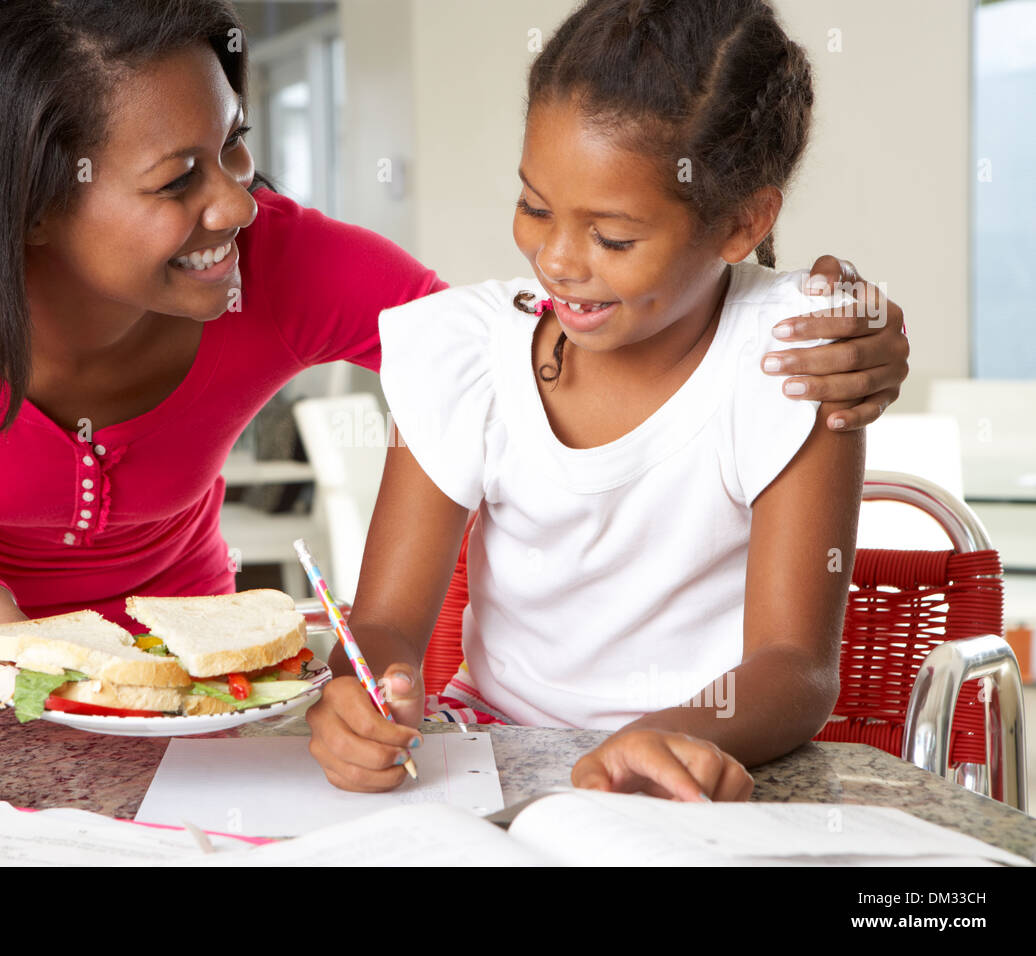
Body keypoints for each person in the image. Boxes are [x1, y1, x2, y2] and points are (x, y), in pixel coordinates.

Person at [0, 0, 906, 709]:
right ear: (32, 205)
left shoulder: (282, 263)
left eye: (234, 144)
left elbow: (514, 353)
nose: (240, 200)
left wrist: (800, 312)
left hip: (192, 687)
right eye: (178, 179)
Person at [307, 0, 873, 802]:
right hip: (490, 764)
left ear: (742, 224)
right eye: (535, 207)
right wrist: (365, 696)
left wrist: (669, 736)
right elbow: (386, 624)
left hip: (693, 765)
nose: (559, 260)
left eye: (612, 238)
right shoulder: (469, 355)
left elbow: (797, 665)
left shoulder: (794, 360)